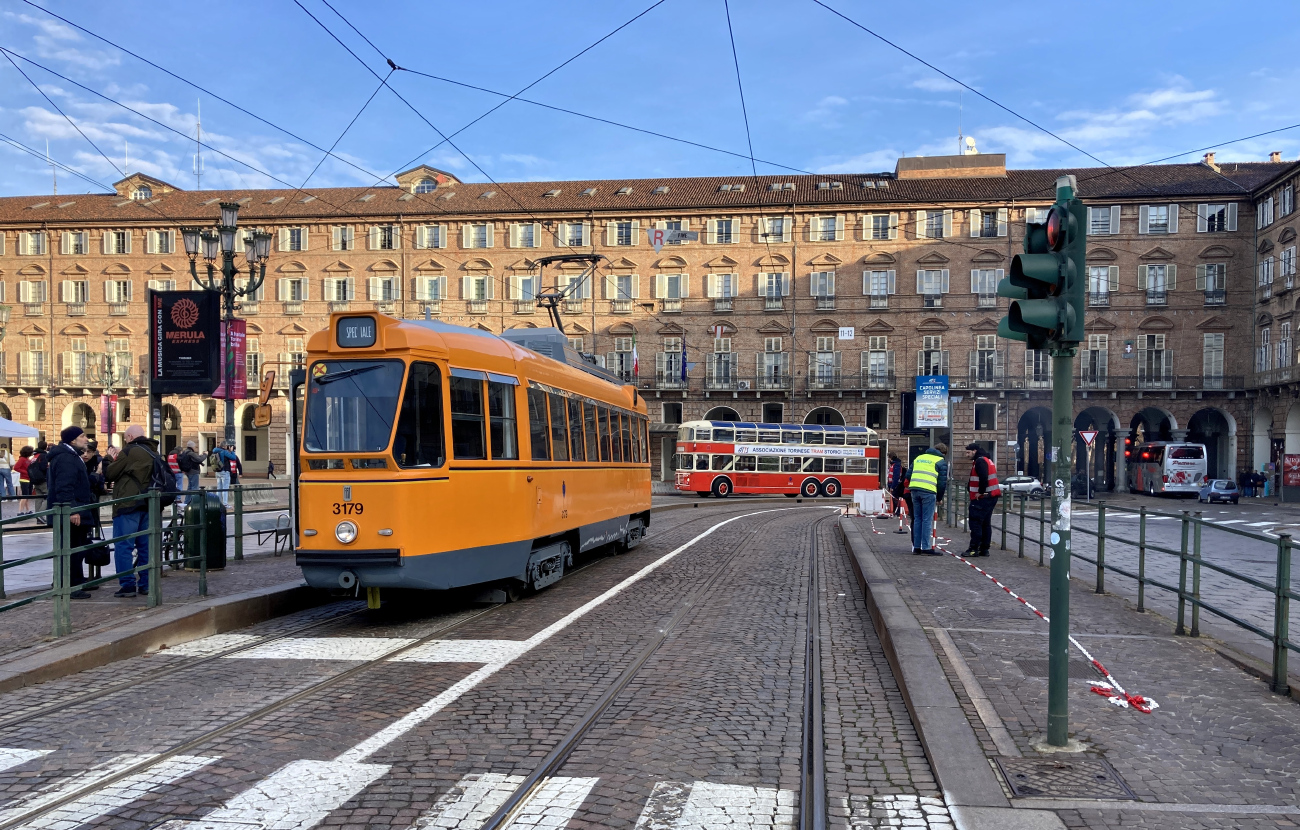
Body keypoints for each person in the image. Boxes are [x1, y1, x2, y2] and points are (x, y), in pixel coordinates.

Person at [104, 425, 161, 598]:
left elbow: (110, 474)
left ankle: (127, 585)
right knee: (145, 546)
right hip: (148, 504)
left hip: (128, 504)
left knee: (123, 546)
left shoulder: (129, 452)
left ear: (129, 436)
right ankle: (146, 583)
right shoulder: (154, 452)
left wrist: (108, 458)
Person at [46, 426, 96, 599]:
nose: (86, 439)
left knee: (73, 548)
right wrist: (72, 510)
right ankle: (70, 586)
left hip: (73, 510)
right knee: (72, 549)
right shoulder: (67, 458)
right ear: (73, 440)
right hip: (72, 512)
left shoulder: (70, 456)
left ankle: (68, 583)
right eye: (82, 436)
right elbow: (64, 486)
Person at [908, 443, 949, 556]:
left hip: (914, 489)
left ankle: (916, 547)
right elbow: (941, 483)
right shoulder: (940, 461)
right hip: (928, 491)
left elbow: (908, 475)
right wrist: (939, 498)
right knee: (926, 520)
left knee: (917, 519)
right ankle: (926, 547)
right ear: (943, 453)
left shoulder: (919, 458)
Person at [963, 443, 1001, 557]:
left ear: (975, 451)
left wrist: (980, 492)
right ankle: (984, 549)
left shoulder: (979, 461)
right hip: (991, 496)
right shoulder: (987, 460)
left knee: (975, 523)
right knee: (985, 524)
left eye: (968, 452)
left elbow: (983, 477)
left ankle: (974, 548)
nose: (966, 455)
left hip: (981, 498)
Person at [27, 441, 50, 526]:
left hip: (35, 480)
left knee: (38, 498)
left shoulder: (34, 456)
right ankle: (40, 514)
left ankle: (38, 517)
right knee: (49, 495)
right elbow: (43, 467)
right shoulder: (43, 456)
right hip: (42, 480)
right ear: (45, 447)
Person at [14, 446, 33, 515]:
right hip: (24, 479)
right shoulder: (22, 459)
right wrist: (25, 472)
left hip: (29, 479)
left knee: (27, 496)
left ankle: (28, 510)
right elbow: (16, 467)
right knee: (25, 495)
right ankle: (20, 510)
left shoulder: (28, 459)